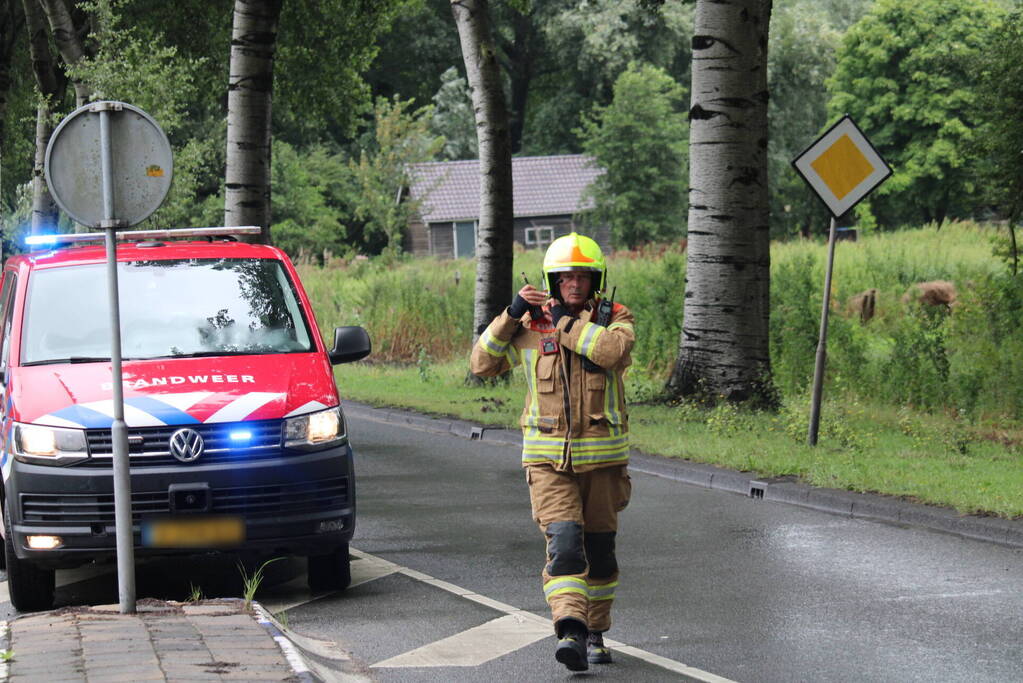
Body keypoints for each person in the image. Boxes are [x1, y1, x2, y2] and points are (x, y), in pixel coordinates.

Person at [470, 232, 635, 672]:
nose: (574, 285)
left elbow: (611, 352)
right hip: (548, 463)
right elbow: (481, 364)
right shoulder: (529, 326)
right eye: (565, 278)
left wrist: (564, 321)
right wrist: (510, 314)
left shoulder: (614, 318)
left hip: (603, 463)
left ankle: (596, 630)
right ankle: (571, 633)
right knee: (564, 548)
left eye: (582, 277)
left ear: (595, 280)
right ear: (551, 278)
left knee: (600, 552)